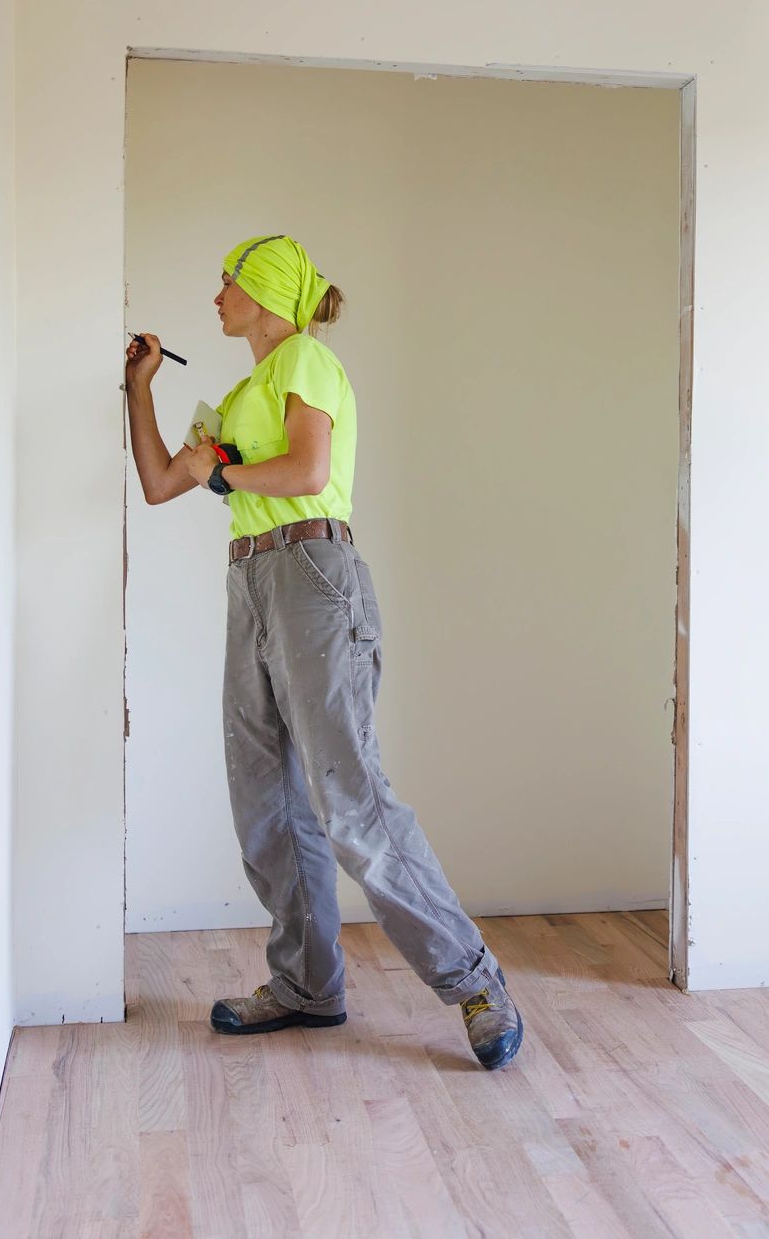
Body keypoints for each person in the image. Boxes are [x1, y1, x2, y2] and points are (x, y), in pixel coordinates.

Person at [123, 234, 524, 1071]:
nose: (216, 297)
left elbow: (307, 469)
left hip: (312, 573)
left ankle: (476, 981)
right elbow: (162, 483)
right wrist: (140, 388)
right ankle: (307, 984)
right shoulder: (237, 397)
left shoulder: (304, 359)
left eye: (226, 283)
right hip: (252, 583)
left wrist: (226, 477)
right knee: (265, 802)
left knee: (350, 800)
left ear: (265, 293)